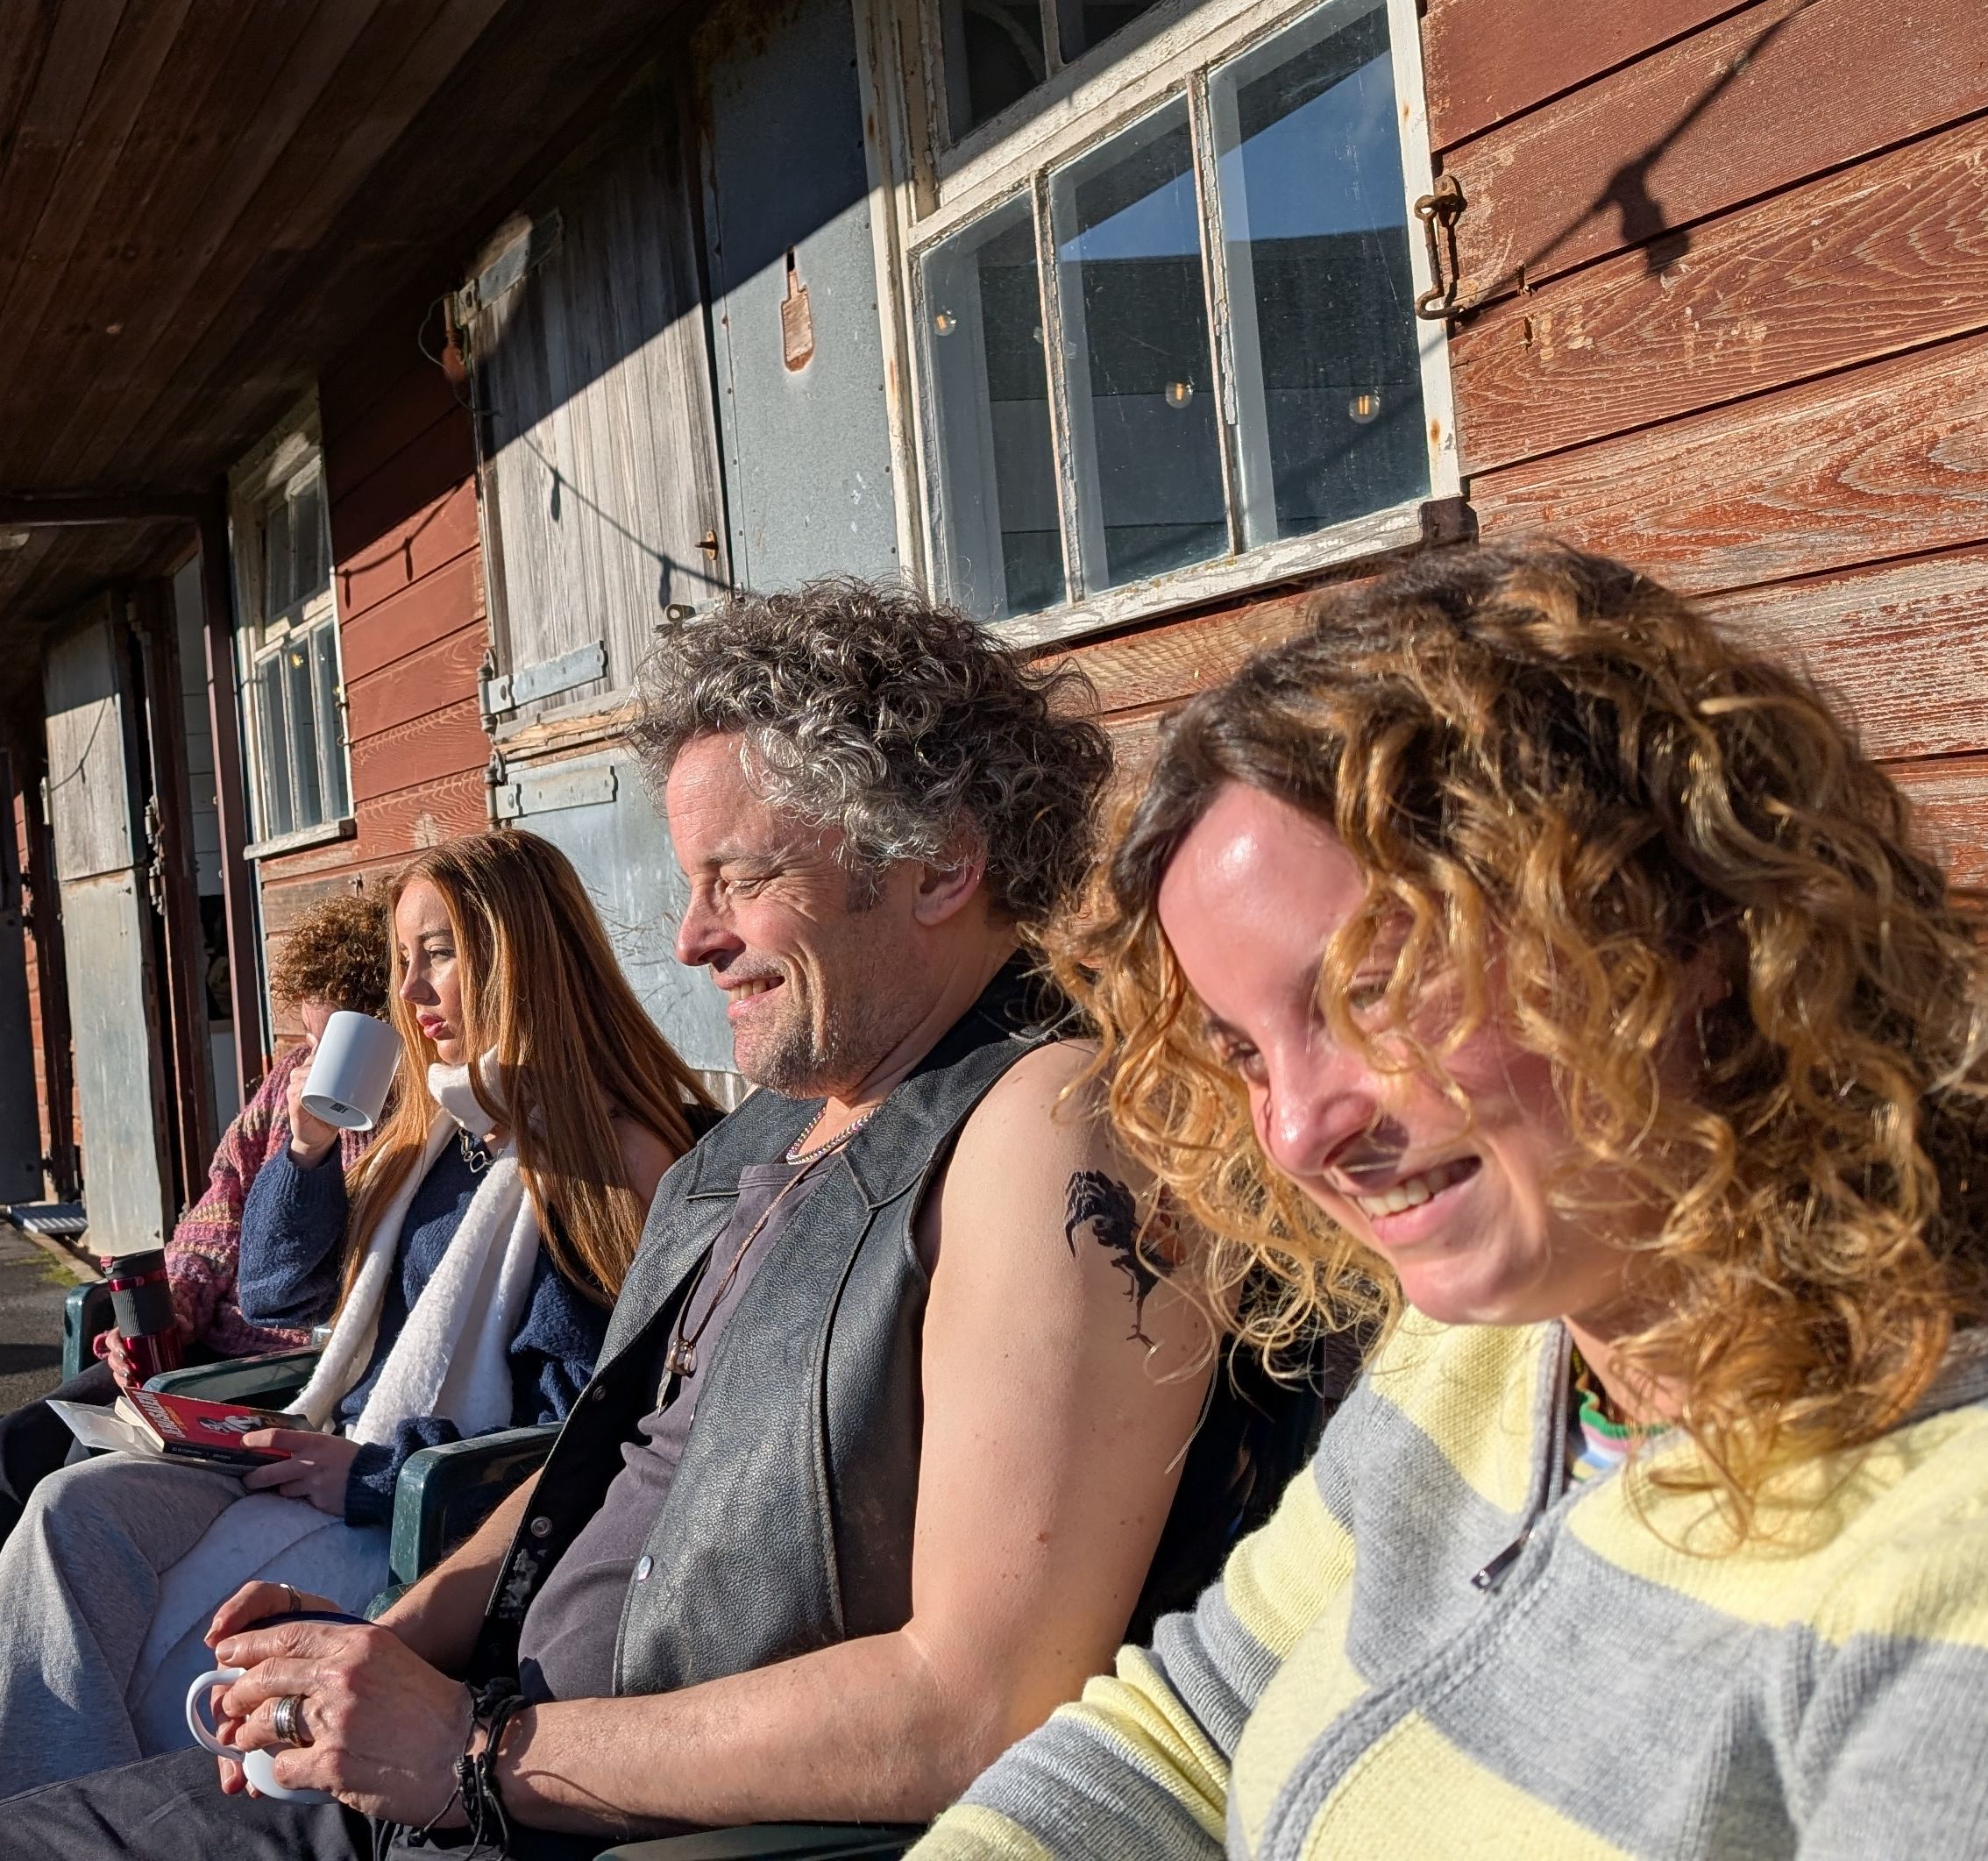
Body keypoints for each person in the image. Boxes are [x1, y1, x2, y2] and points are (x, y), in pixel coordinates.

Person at [0, 578, 1309, 1860]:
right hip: (471, 1764)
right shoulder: (762, 1137)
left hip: (554, 1808)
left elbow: (981, 1706)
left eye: (739, 878)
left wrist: (468, 1748)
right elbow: (604, 1457)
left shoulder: (1046, 1125)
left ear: (940, 864)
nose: (690, 939)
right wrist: (394, 1639)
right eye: (693, 884)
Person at [912, 541, 1988, 1860]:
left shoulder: (1941, 1561)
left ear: (1684, 922)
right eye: (1245, 1050)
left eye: (1370, 991)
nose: (1298, 1130)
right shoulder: (1481, 1361)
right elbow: (1186, 1732)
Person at [0, 828, 707, 1796]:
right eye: (402, 960)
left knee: (183, 1657)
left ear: (521, 957)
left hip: (415, 1507)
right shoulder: (436, 1133)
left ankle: (105, 1818)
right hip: (320, 1447)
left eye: (439, 954)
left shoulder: (609, 1161)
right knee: (68, 1512)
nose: (409, 992)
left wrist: (374, 1476)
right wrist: (304, 1147)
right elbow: (276, 1293)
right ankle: (46, 1813)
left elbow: (589, 1424)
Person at [0, 891, 389, 1544]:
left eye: (333, 1042)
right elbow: (219, 1207)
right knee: (17, 1445)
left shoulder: (412, 1126)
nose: (313, 1059)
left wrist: (311, 1148)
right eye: (309, 1037)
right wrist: (176, 1304)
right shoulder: (290, 1081)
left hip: (282, 1376)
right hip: (201, 1346)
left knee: (74, 1478)